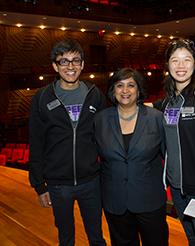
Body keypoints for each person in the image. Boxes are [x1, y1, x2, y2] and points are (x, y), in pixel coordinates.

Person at [29, 39, 107, 246]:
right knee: (65, 239)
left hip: (91, 181)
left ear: (82, 64)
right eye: (63, 61)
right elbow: (36, 142)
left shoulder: (95, 94)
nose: (70, 67)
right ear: (55, 66)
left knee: (96, 237)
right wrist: (39, 185)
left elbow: (105, 137)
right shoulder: (42, 97)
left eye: (75, 61)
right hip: (58, 184)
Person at [153, 39, 195, 246]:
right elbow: (143, 108)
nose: (181, 66)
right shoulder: (166, 101)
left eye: (186, 60)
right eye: (175, 60)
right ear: (167, 65)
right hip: (176, 187)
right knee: (192, 239)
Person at [94, 68, 168, 246]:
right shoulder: (100, 120)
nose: (125, 90)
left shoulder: (156, 118)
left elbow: (170, 156)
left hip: (150, 201)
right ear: (113, 90)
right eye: (119, 85)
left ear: (139, 90)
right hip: (115, 201)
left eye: (131, 85)